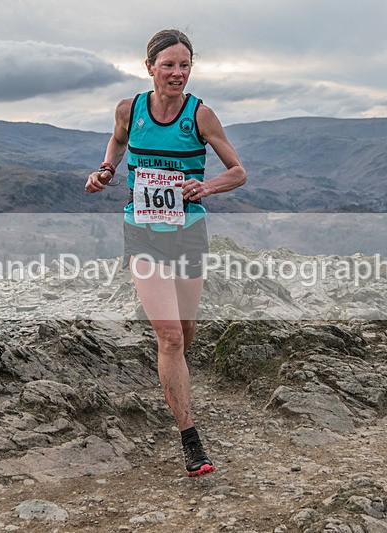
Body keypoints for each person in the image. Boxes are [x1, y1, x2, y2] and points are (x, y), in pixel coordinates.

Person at [85, 29, 246, 477]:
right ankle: (190, 439)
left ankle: (172, 374)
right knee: (171, 335)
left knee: (186, 330)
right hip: (143, 234)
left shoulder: (201, 115)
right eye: (169, 64)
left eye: (185, 65)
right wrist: (105, 170)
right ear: (149, 66)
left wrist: (206, 185)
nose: (178, 73)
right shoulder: (130, 109)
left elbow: (238, 172)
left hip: (188, 232)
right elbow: (117, 142)